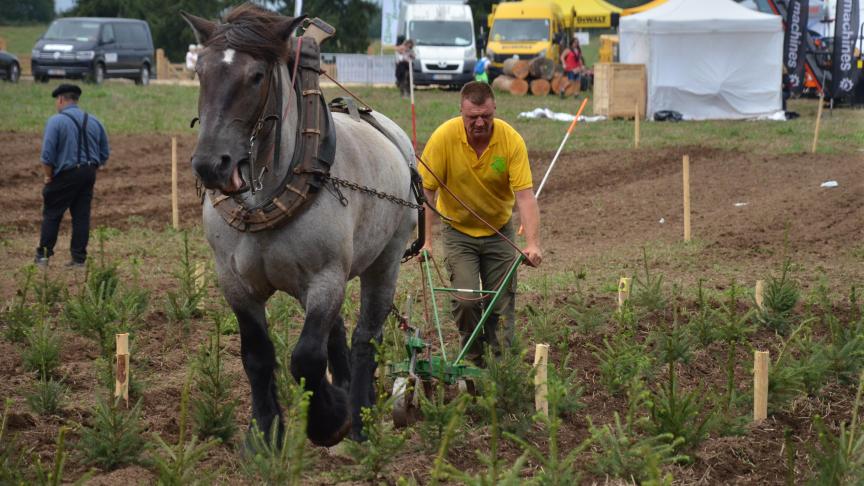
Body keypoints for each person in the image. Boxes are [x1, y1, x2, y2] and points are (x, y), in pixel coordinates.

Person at [419, 81, 542, 362]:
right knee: (466, 300)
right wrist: (425, 241)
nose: (479, 123)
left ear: (494, 109)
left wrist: (533, 244)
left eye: (486, 116)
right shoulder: (443, 138)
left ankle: (500, 372)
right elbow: (426, 191)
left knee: (501, 305)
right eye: (472, 117)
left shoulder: (511, 141)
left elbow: (525, 195)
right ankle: (472, 360)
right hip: (458, 232)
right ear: (461, 112)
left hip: (499, 232)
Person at [35, 84, 110, 267]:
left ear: (61, 99)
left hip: (65, 174)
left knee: (52, 213)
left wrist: (48, 176)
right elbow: (104, 153)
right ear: (75, 99)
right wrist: (91, 168)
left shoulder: (56, 121)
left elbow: (47, 156)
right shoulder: (94, 120)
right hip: (88, 172)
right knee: (81, 216)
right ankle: (78, 259)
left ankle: (44, 255)